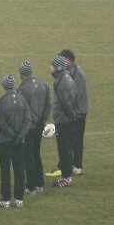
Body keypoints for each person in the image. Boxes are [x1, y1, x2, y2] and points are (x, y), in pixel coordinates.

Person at [0, 74, 30, 208]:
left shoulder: (1, 101)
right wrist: (19, 135)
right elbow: (27, 120)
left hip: (4, 140)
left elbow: (1, 123)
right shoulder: (23, 100)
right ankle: (19, 199)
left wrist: (12, 134)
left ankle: (6, 199)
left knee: (5, 169)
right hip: (19, 141)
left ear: (3, 86)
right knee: (19, 169)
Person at [18, 60, 51, 194]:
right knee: (36, 153)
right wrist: (43, 119)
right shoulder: (43, 84)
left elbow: (21, 109)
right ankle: (39, 183)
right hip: (39, 125)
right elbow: (48, 104)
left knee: (28, 155)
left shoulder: (22, 89)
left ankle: (30, 186)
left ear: (21, 73)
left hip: (28, 127)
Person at [49, 55, 79, 188]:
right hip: (68, 119)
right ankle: (67, 176)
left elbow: (65, 102)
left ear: (58, 68)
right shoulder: (68, 78)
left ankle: (67, 178)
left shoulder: (60, 82)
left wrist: (70, 115)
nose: (50, 67)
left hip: (63, 120)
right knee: (66, 149)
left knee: (64, 150)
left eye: (52, 66)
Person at [61, 48, 88, 175]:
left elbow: (78, 96)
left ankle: (77, 166)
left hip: (79, 112)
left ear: (67, 60)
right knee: (73, 139)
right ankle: (71, 165)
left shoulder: (78, 75)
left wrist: (74, 113)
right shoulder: (72, 71)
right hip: (76, 111)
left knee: (75, 139)